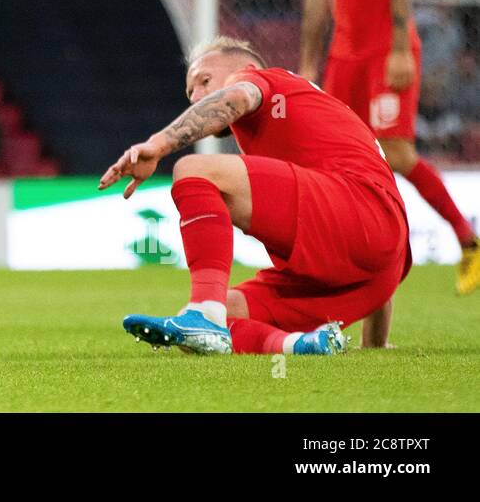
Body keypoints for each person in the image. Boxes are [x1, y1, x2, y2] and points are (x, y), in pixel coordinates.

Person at [101, 37, 409, 354]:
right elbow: (375, 235)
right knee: (219, 319)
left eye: (204, 81)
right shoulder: (308, 113)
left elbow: (237, 95)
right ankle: (300, 345)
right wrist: (376, 342)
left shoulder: (259, 79)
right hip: (372, 273)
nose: (196, 97)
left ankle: (204, 311)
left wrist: (158, 144)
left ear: (244, 68)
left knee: (193, 170)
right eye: (191, 92)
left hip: (359, 217)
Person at [300, 0, 480, 294]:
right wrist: (304, 66)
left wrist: (401, 48)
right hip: (343, 56)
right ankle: (350, 262)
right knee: (335, 161)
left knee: (396, 152)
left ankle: (469, 241)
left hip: (387, 50)